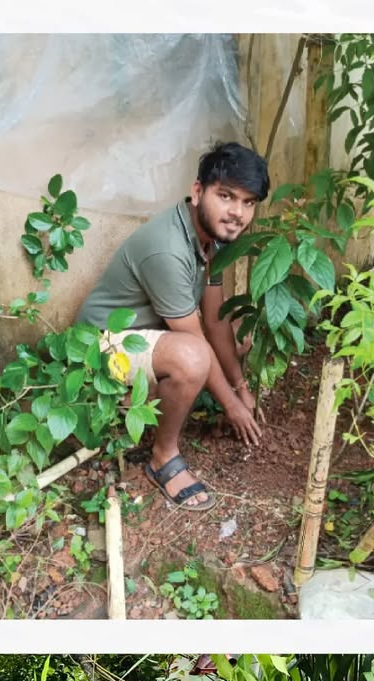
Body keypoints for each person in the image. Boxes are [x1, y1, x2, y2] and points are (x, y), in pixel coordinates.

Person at [76, 142, 270, 511]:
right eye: (226, 196)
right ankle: (163, 456)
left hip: (144, 338)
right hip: (99, 347)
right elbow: (196, 341)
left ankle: (147, 400)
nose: (237, 212)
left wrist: (241, 387)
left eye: (248, 202)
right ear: (198, 191)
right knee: (192, 357)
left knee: (234, 334)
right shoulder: (167, 247)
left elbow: (214, 319)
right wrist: (232, 407)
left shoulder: (209, 238)